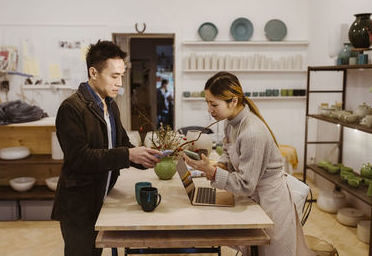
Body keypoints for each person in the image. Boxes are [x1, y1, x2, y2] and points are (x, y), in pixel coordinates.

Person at [183, 71, 314, 256]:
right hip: (256, 196)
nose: (209, 110)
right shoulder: (231, 122)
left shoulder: (252, 132)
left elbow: (246, 184)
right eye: (207, 103)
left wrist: (212, 172)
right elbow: (228, 153)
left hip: (271, 201)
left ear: (233, 101)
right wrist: (218, 166)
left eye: (214, 104)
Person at [51, 40, 162, 256]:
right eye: (114, 76)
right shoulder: (71, 108)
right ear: (93, 72)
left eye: (122, 75)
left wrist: (144, 158)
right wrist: (129, 154)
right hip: (78, 205)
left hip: (100, 197)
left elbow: (120, 144)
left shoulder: (109, 105)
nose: (120, 82)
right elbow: (80, 159)